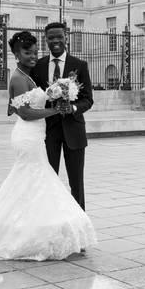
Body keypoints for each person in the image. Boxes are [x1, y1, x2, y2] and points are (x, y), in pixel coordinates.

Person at [0, 31, 95, 260]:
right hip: (35, 136)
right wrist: (55, 108)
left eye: (34, 52)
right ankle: (40, 235)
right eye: (27, 52)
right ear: (16, 54)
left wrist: (63, 100)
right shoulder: (27, 73)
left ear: (66, 39)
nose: (33, 56)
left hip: (53, 134)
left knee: (46, 185)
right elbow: (23, 111)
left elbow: (82, 98)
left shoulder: (36, 72)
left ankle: (61, 234)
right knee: (39, 183)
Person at [30, 22, 94, 210]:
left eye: (59, 37)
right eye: (51, 38)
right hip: (48, 132)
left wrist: (73, 108)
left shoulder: (79, 65)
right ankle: (49, 218)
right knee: (48, 180)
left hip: (74, 131)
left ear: (66, 37)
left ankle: (80, 222)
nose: (55, 41)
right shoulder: (39, 66)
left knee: (77, 183)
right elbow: (34, 97)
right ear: (46, 39)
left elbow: (88, 100)